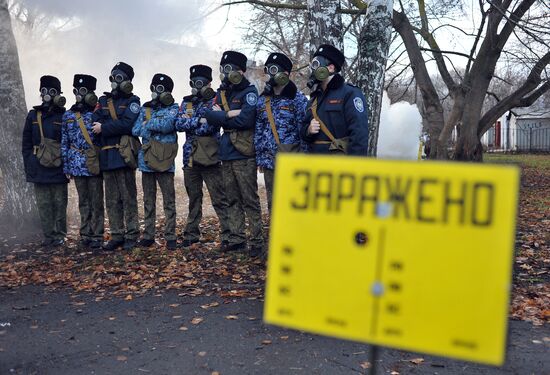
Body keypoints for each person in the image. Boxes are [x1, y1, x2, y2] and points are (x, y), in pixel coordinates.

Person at [204, 51, 264, 257]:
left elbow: (247, 120)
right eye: (224, 69)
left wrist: (222, 115)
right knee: (232, 199)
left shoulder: (249, 92)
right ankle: (237, 239)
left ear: (241, 71)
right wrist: (229, 114)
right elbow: (209, 115)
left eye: (230, 69)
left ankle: (257, 241)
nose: (227, 73)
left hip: (244, 153)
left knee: (249, 199)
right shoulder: (221, 93)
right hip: (227, 152)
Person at [176, 65, 231, 249]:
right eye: (195, 81)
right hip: (190, 157)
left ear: (208, 82)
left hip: (211, 156)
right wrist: (199, 120)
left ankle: (228, 235)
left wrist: (194, 122)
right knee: (194, 198)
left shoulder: (217, 99)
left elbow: (214, 124)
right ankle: (191, 234)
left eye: (201, 81)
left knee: (219, 198)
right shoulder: (187, 103)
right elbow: (178, 123)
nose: (197, 85)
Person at [92, 62, 141, 251]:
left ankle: (131, 234)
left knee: (128, 197)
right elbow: (94, 121)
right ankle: (116, 234)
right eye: (113, 76)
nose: (114, 81)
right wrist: (110, 125)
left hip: (124, 156)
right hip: (107, 156)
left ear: (127, 80)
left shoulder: (133, 101)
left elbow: (128, 125)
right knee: (111, 200)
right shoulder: (103, 101)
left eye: (119, 77)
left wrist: (104, 127)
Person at [254, 52, 308, 213]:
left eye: (275, 70)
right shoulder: (263, 100)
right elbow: (259, 129)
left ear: (286, 74)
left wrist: (305, 160)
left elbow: (304, 131)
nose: (272, 74)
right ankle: (275, 236)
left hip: (292, 161)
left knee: (293, 203)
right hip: (269, 162)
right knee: (273, 202)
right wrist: (260, 157)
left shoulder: (297, 99)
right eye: (269, 69)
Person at [132, 73, 179, 250]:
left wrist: (148, 124)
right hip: (147, 162)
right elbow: (135, 129)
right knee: (148, 201)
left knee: (169, 201)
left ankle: (171, 235)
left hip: (166, 162)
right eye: (154, 87)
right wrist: (155, 124)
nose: (155, 92)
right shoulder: (145, 109)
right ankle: (148, 235)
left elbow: (168, 125)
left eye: (159, 89)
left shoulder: (174, 108)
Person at [22, 75, 69, 247]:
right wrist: (30, 162)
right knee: (44, 203)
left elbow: (69, 141)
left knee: (59, 202)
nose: (47, 94)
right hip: (38, 166)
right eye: (44, 90)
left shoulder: (65, 116)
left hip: (58, 166)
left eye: (52, 91)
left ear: (58, 94)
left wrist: (67, 165)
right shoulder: (33, 115)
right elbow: (26, 143)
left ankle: (60, 235)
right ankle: (49, 235)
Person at [300, 44, 369, 155]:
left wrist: (356, 167)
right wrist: (308, 130)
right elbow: (303, 131)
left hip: (340, 165)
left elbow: (359, 134)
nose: (313, 69)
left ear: (331, 68)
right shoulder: (314, 99)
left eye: (316, 64)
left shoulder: (349, 93)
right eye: (312, 65)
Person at [61, 74, 104, 250]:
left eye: (83, 91)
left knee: (96, 201)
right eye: (76, 90)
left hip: (93, 162)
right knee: (83, 201)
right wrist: (66, 165)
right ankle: (85, 233)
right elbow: (65, 141)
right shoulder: (69, 114)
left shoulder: (99, 112)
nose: (79, 94)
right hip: (76, 164)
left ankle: (98, 235)